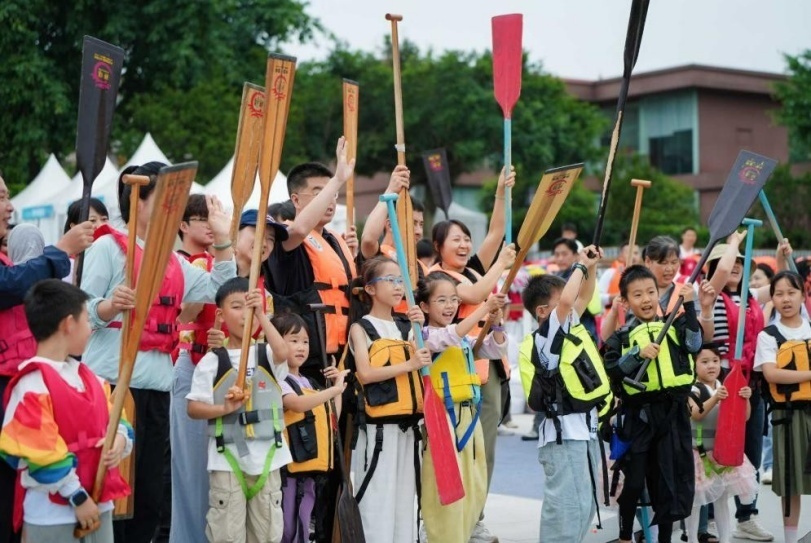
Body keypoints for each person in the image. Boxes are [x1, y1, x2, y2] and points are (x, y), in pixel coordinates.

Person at [79, 162, 237, 543]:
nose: (174, 206)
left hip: (157, 390)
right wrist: (110, 305)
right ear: (138, 200)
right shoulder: (109, 247)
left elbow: (221, 285)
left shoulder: (174, 261)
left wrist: (222, 237)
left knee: (149, 498)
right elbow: (82, 310)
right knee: (112, 496)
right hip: (113, 386)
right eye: (165, 198)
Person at [0, 279, 133, 543]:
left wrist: (119, 439)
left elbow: (118, 420)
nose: (89, 330)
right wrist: (78, 496)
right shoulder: (31, 384)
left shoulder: (91, 378)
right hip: (53, 514)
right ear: (68, 324)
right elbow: (41, 452)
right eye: (86, 321)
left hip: (99, 503)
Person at [0, 173, 94, 543]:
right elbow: (10, 286)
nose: (10, 207)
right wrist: (60, 250)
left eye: (8, 196)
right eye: (2, 197)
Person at [428, 168, 516, 543]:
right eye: (455, 241)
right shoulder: (438, 279)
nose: (464, 246)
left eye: (466, 239)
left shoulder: (472, 267)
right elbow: (480, 291)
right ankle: (452, 519)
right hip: (457, 375)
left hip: (487, 366)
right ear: (438, 248)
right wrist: (504, 265)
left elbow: (495, 234)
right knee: (458, 448)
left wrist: (499, 192)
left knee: (485, 452)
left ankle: (476, 517)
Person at [604, 265, 703, 543]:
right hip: (639, 417)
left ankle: (664, 541)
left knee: (669, 485)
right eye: (637, 295)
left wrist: (692, 306)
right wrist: (637, 353)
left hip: (672, 414)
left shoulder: (675, 325)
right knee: (634, 482)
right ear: (625, 301)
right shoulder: (621, 337)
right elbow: (612, 369)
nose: (646, 299)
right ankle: (625, 536)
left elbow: (694, 345)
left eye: (651, 292)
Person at [187, 277, 291, 543]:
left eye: (250, 307)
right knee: (227, 535)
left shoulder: (266, 353)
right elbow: (194, 408)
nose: (246, 314)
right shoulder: (212, 361)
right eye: (237, 307)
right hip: (227, 460)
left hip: (267, 458)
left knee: (267, 534)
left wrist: (263, 316)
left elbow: (283, 352)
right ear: (220, 315)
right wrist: (224, 407)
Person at [704, 234, 793, 542]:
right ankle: (713, 519)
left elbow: (779, 286)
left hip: (750, 384)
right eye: (731, 263)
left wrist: (782, 257)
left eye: (741, 263)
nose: (737, 267)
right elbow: (717, 277)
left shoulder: (752, 295)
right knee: (717, 451)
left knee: (751, 452)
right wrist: (733, 245)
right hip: (720, 383)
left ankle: (747, 516)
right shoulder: (710, 294)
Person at [518, 245, 606, 541]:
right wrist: (579, 264)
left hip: (583, 430)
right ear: (543, 312)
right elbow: (570, 298)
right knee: (565, 507)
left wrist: (590, 268)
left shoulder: (568, 325)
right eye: (559, 305)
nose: (568, 308)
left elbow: (582, 296)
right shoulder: (546, 337)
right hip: (562, 434)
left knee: (583, 505)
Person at [418, 272, 508, 543]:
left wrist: (497, 322)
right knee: (445, 488)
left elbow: (496, 350)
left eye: (454, 300)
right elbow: (449, 336)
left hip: (469, 419)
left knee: (474, 483)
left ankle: (464, 533)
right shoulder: (424, 335)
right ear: (424, 306)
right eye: (441, 300)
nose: (449, 306)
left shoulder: (464, 339)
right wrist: (484, 307)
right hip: (442, 420)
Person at [348, 256, 429, 543]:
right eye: (391, 280)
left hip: (409, 428)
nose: (398, 287)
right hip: (379, 431)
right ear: (370, 289)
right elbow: (366, 374)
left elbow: (428, 356)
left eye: (401, 281)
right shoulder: (361, 328)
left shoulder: (407, 326)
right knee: (378, 499)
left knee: (405, 500)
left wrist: (422, 327)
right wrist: (409, 365)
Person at [264, 138, 357, 386]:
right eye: (320, 193)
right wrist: (337, 179)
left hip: (341, 357)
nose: (330, 200)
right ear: (295, 200)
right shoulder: (284, 237)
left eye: (333, 194)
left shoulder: (336, 241)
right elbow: (300, 228)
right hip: (303, 361)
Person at [275, 312, 346, 543]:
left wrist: (337, 387)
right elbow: (295, 404)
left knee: (303, 525)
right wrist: (331, 391)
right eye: (293, 340)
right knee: (285, 527)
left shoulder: (311, 383)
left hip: (309, 471)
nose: (301, 347)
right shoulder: (278, 380)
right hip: (287, 471)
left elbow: (332, 416)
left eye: (305, 341)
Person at [754, 271, 811, 543]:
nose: (786, 299)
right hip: (787, 416)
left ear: (803, 294)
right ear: (772, 298)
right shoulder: (768, 335)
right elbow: (772, 374)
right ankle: (790, 539)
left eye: (792, 292)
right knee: (791, 484)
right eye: (779, 293)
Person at [685, 344, 758, 543]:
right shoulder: (692, 389)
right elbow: (696, 413)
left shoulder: (726, 385)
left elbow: (744, 417)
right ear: (694, 364)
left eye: (715, 361)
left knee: (722, 501)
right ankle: (691, 539)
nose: (711, 366)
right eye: (705, 361)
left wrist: (746, 399)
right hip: (698, 454)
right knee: (695, 503)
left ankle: (725, 539)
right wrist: (717, 397)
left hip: (723, 453)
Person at [359, 165, 425, 272]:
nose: (419, 232)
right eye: (413, 223)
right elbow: (368, 240)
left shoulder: (420, 267)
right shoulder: (378, 257)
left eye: (421, 225)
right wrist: (390, 190)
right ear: (390, 225)